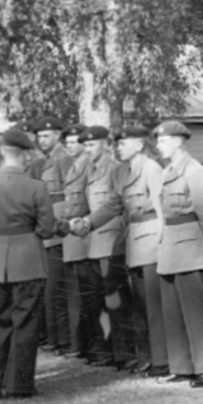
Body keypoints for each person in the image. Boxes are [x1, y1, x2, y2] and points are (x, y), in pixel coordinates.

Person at [0, 128, 56, 399]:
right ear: (24, 155)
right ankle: (20, 385)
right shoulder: (36, 186)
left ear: (2, 153)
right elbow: (47, 229)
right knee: (26, 323)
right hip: (28, 261)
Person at [84, 126, 164, 375]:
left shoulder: (151, 168)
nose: (119, 148)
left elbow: (162, 208)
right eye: (118, 144)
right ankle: (146, 357)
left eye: (124, 143)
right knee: (138, 303)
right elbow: (114, 204)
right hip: (133, 241)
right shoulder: (124, 172)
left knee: (151, 302)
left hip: (151, 239)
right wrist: (87, 223)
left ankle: (160, 359)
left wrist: (164, 242)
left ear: (139, 145)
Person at [154, 121, 203, 388]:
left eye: (163, 140)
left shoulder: (194, 171)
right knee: (173, 311)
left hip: (191, 247)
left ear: (178, 141)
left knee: (196, 311)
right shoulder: (168, 171)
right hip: (170, 247)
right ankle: (182, 366)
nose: (158, 145)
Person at [74, 126, 132, 369]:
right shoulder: (89, 169)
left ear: (106, 144)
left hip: (111, 243)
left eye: (92, 144)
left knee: (116, 301)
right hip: (93, 243)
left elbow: (121, 205)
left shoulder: (116, 168)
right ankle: (106, 350)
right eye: (85, 145)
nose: (88, 149)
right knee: (98, 300)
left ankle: (124, 353)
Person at [29, 117, 71, 354]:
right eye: (39, 136)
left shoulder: (63, 158)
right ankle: (55, 338)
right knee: (50, 287)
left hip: (58, 229)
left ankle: (63, 339)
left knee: (57, 286)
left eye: (46, 135)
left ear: (58, 135)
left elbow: (70, 194)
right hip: (47, 227)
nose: (42, 140)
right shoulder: (43, 160)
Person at [59, 124, 100, 361]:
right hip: (72, 237)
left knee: (87, 294)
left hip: (84, 235)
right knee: (76, 294)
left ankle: (89, 346)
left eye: (74, 142)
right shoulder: (74, 167)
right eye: (67, 142)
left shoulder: (88, 167)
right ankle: (81, 344)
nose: (69, 146)